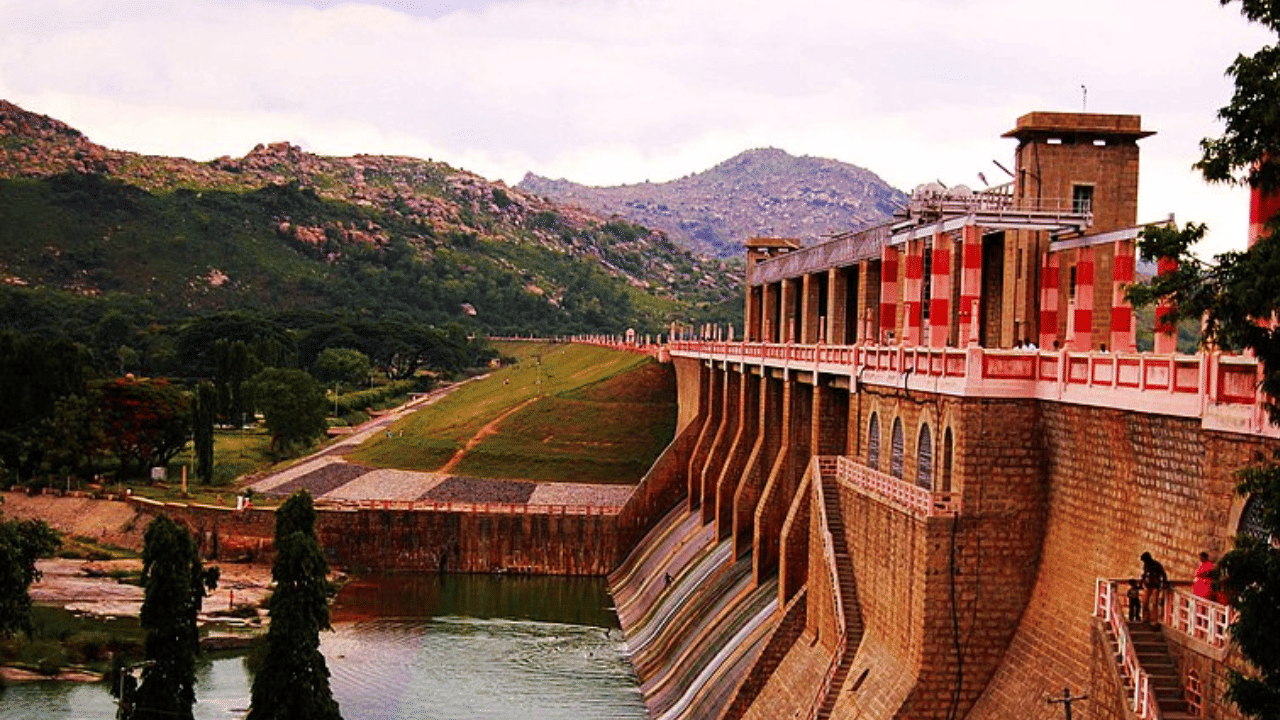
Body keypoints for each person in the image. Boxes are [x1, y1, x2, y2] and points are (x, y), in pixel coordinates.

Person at [1140, 551, 1168, 626]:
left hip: (1155, 586)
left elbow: (1163, 574)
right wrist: (1142, 582)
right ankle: (1145, 618)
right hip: (1147, 586)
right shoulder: (1146, 565)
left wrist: (1164, 582)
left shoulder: (1156, 565)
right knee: (1145, 602)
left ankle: (1154, 620)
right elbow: (1145, 574)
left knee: (1154, 603)